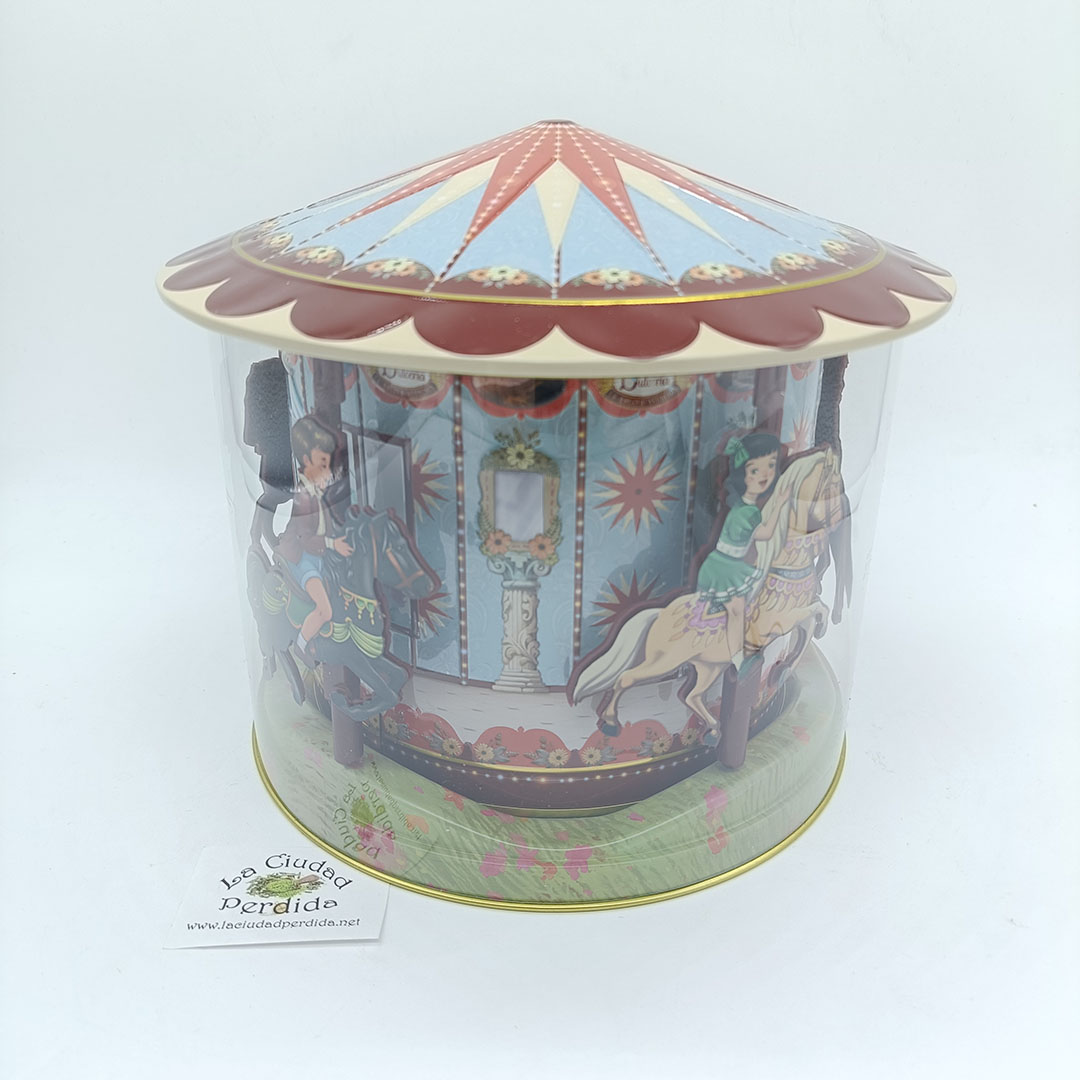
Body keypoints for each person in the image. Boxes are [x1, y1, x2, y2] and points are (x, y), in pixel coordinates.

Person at [695, 432, 789, 669]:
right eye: (754, 470)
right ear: (742, 476)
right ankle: (736, 658)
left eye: (770, 465)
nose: (764, 474)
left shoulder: (747, 508)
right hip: (723, 566)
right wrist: (780, 505)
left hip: (732, 563)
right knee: (736, 610)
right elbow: (765, 533)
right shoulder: (745, 512)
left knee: (742, 607)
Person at [276, 416, 353, 663]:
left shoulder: (317, 493)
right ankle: (301, 645)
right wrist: (332, 544)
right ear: (306, 460)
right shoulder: (303, 496)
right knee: (325, 610)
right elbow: (305, 537)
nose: (328, 472)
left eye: (329, 465)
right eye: (323, 465)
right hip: (302, 559)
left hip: (318, 555)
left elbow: (327, 526)